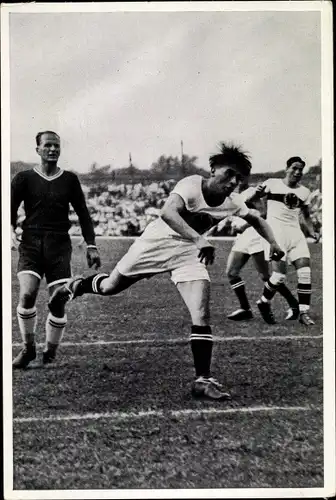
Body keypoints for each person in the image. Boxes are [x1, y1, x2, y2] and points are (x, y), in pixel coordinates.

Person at [49, 142, 284, 401]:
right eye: (229, 173)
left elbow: (257, 219)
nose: (233, 182)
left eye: (239, 179)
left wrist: (273, 243)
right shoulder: (192, 184)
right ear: (213, 168)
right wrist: (199, 239)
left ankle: (202, 381)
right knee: (109, 288)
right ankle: (75, 286)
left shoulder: (233, 202)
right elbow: (167, 213)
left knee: (201, 312)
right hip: (155, 244)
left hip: (188, 254)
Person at [11, 130, 101, 369]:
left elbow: (83, 213)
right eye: (48, 145)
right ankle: (28, 349)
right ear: (38, 149)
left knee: (57, 301)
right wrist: (10, 232)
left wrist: (91, 245)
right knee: (27, 294)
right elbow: (9, 209)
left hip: (59, 245)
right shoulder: (23, 178)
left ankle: (50, 350)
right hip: (31, 242)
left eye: (57, 146)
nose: (53, 150)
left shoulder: (69, 179)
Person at [248, 156, 320, 326]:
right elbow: (251, 199)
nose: (297, 172)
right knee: (279, 276)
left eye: (300, 169)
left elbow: (306, 216)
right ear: (287, 168)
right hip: (276, 235)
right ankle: (263, 302)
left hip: (296, 235)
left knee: (305, 273)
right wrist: (258, 198)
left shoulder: (304, 192)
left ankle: (303, 313)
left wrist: (312, 231)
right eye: (294, 168)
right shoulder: (272, 183)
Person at [223, 182, 299, 321]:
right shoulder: (229, 194)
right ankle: (245, 309)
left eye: (239, 177)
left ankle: (294, 304)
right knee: (231, 272)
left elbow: (264, 214)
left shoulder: (252, 192)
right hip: (243, 238)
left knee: (265, 276)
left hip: (256, 235)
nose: (235, 181)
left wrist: (245, 225)